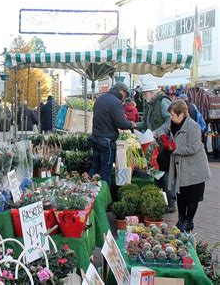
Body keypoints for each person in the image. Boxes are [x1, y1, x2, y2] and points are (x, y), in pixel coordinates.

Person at [154, 100, 211, 232]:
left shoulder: (193, 127)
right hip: (180, 166)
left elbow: (192, 148)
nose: (171, 118)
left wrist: (174, 147)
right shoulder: (173, 122)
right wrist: (161, 135)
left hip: (194, 168)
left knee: (192, 196)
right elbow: (163, 127)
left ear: (182, 114)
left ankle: (189, 221)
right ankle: (181, 219)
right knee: (181, 195)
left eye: (173, 115)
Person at [89, 82, 135, 197]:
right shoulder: (116, 102)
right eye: (125, 94)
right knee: (106, 170)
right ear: (122, 92)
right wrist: (132, 124)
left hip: (96, 137)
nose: (124, 97)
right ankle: (105, 198)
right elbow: (121, 123)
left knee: (95, 166)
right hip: (107, 140)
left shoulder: (100, 99)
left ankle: (89, 193)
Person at [136, 82, 174, 212]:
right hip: (154, 144)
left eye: (145, 93)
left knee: (166, 173)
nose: (143, 96)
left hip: (164, 144)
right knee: (157, 173)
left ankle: (171, 204)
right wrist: (133, 125)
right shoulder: (150, 104)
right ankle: (162, 201)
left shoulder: (163, 101)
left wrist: (157, 132)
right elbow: (146, 123)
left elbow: (171, 120)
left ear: (152, 92)